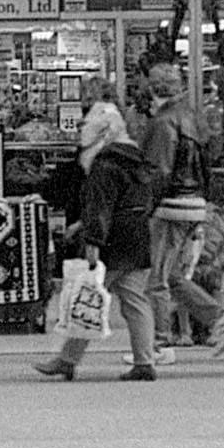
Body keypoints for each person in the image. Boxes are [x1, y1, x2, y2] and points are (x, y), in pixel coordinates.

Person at [33, 113, 157, 381]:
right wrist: (83, 225)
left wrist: (92, 242)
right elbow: (136, 201)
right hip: (137, 236)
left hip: (113, 241)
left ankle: (67, 360)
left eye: (86, 130)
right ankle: (145, 361)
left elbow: (101, 207)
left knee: (87, 298)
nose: (81, 135)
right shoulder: (139, 162)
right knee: (135, 301)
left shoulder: (105, 164)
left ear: (102, 135)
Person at [140, 61, 224, 365]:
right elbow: (206, 163)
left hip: (172, 206)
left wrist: (145, 207)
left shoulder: (163, 121)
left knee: (157, 278)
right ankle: (219, 316)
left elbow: (159, 170)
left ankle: (159, 344)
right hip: (194, 204)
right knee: (174, 275)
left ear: (154, 89)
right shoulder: (192, 116)